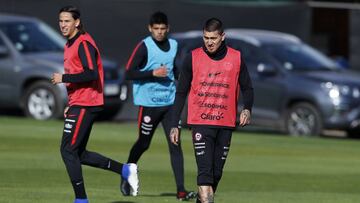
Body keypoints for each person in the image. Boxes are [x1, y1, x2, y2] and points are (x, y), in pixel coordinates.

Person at [51, 6, 139, 203]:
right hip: (79, 102)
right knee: (79, 153)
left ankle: (81, 200)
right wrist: (71, 102)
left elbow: (90, 73)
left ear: (77, 22)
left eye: (67, 21)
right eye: (61, 21)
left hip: (86, 103)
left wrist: (63, 77)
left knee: (67, 150)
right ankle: (124, 170)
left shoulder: (83, 43)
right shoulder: (70, 44)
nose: (63, 25)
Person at [169, 18, 254, 203]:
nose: (209, 42)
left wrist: (247, 109)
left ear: (222, 36)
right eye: (206, 37)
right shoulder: (192, 57)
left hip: (225, 124)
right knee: (205, 178)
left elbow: (247, 87)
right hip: (200, 123)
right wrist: (174, 123)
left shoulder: (236, 58)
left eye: (213, 38)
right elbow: (181, 92)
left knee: (215, 175)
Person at [122, 11, 196, 201]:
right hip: (148, 105)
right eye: (156, 29)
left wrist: (187, 81)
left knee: (175, 143)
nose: (160, 32)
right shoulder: (144, 46)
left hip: (170, 105)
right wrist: (152, 73)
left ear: (168, 28)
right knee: (144, 143)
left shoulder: (174, 45)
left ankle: (181, 191)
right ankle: (126, 172)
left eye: (163, 29)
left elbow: (176, 70)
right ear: (150, 29)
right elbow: (129, 73)